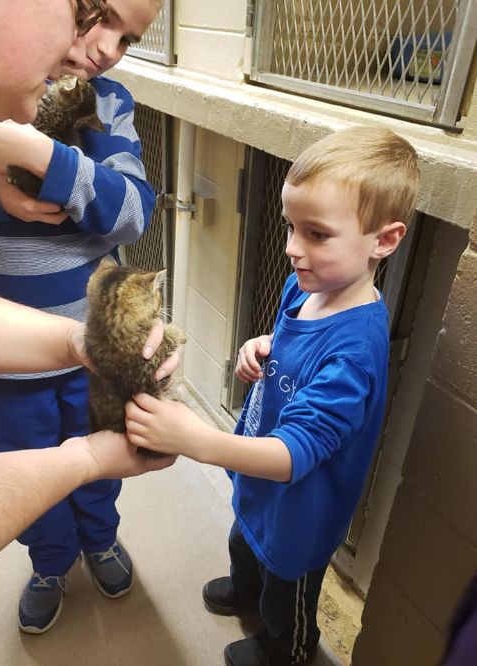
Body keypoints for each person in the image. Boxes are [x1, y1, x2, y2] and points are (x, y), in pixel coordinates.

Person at [124, 126, 420, 665]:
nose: (291, 249)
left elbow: (293, 455)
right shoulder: (305, 287)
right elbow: (288, 346)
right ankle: (246, 589)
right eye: (290, 227)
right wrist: (259, 346)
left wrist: (197, 440)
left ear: (384, 240)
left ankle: (285, 647)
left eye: (317, 234)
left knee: (287, 587)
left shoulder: (355, 350)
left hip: (302, 506)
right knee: (246, 540)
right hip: (261, 485)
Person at [0, 0, 165, 634]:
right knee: (25, 464)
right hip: (1, 362)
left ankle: (101, 539)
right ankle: (51, 563)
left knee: (98, 458)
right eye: (102, 15)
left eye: (130, 38)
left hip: (92, 347)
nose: (110, 46)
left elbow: (134, 210)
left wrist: (51, 163)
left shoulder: (107, 104)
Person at [0, 290, 176, 567]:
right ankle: (51, 562)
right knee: (22, 458)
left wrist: (77, 340)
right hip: (1, 380)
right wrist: (89, 458)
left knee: (102, 467)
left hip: (81, 352)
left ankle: (100, 541)